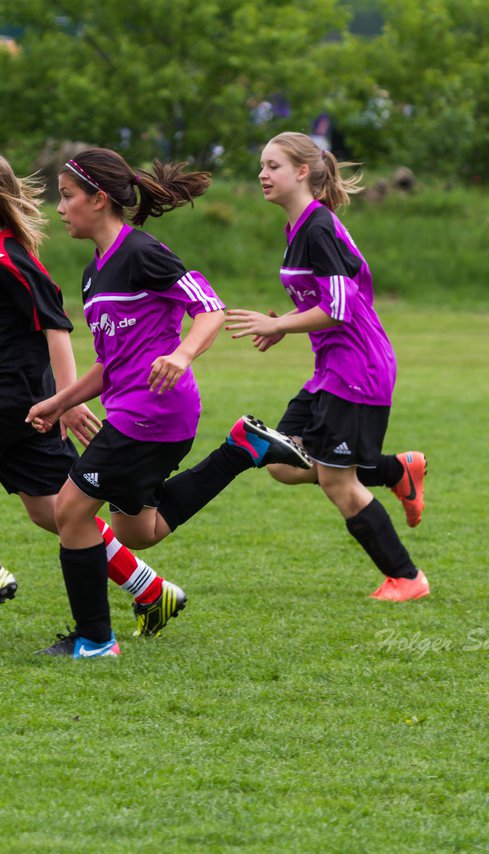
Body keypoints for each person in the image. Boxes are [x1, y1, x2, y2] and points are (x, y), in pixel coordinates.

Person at [25, 148, 311, 659]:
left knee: (70, 510)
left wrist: (181, 353)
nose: (60, 208)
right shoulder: (95, 276)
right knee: (139, 531)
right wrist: (59, 402)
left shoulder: (142, 253)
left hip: (153, 413)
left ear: (99, 198)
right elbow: (109, 365)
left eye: (67, 197)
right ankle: (242, 450)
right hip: (137, 410)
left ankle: (94, 640)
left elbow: (209, 309)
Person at [0, 150, 187, 637]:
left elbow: (58, 329)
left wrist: (68, 401)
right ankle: (151, 590)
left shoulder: (15, 259)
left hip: (11, 398)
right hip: (19, 405)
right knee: (55, 513)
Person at [226, 132, 430, 602]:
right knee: (280, 460)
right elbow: (325, 299)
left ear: (302, 172)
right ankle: (395, 470)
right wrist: (284, 325)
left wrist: (282, 325)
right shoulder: (298, 228)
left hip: (358, 368)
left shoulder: (317, 227)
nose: (262, 174)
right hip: (332, 368)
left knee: (337, 479)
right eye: (261, 165)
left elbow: (338, 307)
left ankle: (406, 578)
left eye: (273, 166)